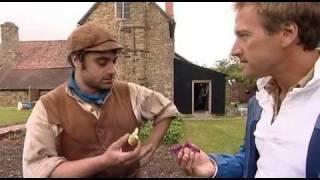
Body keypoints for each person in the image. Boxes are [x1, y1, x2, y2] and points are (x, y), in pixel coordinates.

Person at [173, 2, 320, 178]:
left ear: (287, 33)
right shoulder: (261, 100)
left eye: (244, 35)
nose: (234, 50)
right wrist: (214, 167)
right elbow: (255, 162)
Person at [22, 22, 179, 178]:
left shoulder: (130, 92)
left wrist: (148, 148)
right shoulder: (47, 108)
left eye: (114, 61)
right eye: (102, 62)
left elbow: (166, 109)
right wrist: (104, 161)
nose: (112, 70)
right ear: (76, 60)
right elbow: (39, 169)